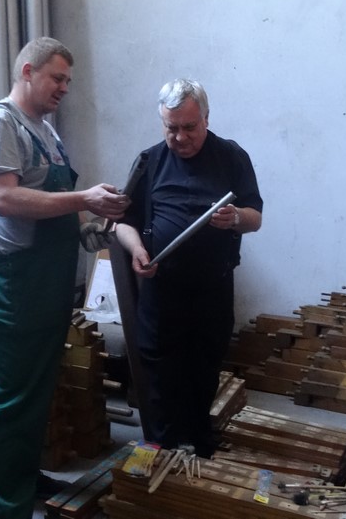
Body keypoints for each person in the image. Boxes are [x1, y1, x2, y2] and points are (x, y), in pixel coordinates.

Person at [0, 36, 129, 519]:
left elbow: (50, 202)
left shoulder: (45, 131)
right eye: (56, 78)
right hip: (17, 285)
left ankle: (25, 478)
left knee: (37, 393)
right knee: (12, 399)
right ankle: (6, 506)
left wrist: (87, 228)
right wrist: (84, 199)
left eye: (68, 81)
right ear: (27, 71)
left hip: (49, 283)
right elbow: (5, 199)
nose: (64, 88)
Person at [115, 78, 263, 458]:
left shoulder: (231, 157)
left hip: (212, 289)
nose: (180, 137)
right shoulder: (149, 161)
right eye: (171, 128)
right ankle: (160, 447)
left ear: (206, 119)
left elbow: (255, 217)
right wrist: (136, 249)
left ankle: (199, 443)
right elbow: (124, 221)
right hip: (162, 289)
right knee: (159, 373)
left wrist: (235, 218)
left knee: (204, 368)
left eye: (189, 127)